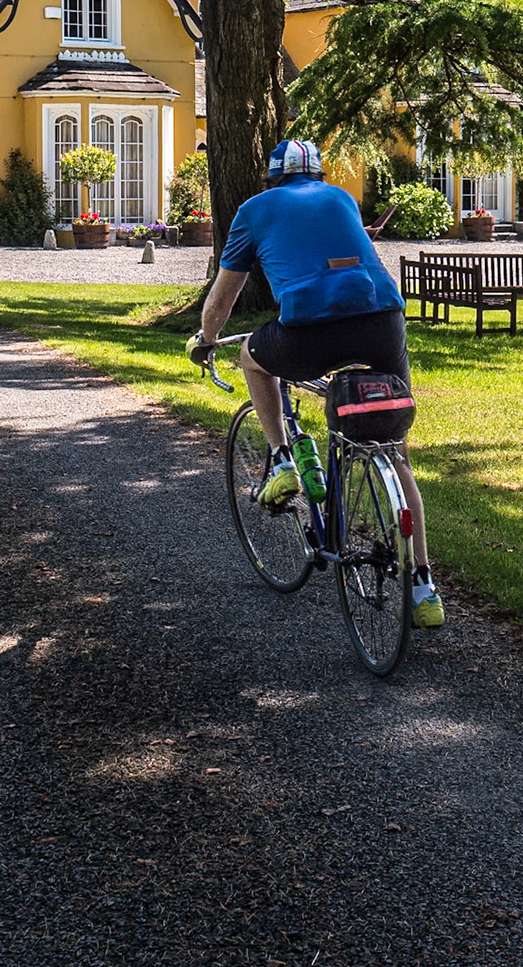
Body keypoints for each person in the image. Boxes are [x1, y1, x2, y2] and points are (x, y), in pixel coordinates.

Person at [187, 139, 442, 629]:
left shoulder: (254, 210)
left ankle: (283, 459)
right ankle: (424, 586)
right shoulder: (342, 198)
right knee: (396, 451)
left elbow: (223, 297)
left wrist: (206, 338)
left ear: (272, 177)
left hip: (309, 332)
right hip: (382, 322)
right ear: (319, 174)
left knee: (254, 360)